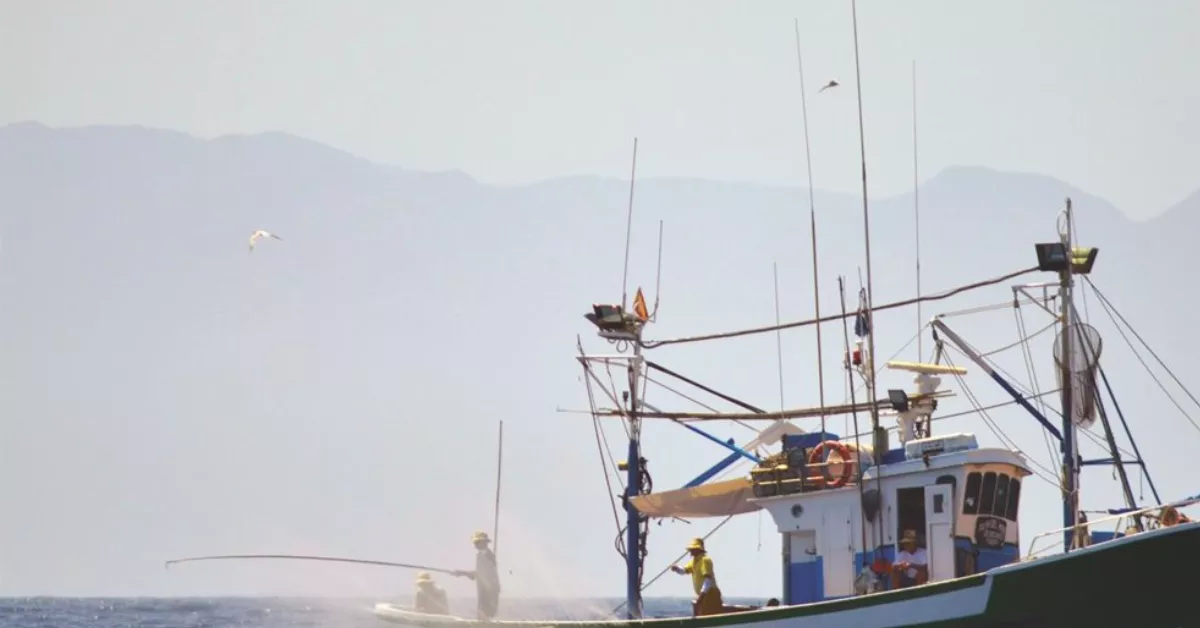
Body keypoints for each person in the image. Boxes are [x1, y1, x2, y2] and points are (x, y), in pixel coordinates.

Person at [670, 537, 723, 617]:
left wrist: (701, 596)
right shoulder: (694, 561)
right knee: (702, 615)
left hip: (710, 594)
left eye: (693, 549)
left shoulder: (705, 560)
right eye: (691, 549)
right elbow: (684, 571)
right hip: (704, 595)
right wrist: (676, 568)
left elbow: (708, 580)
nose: (691, 551)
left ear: (699, 549)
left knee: (708, 616)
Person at [455, 531, 501, 621]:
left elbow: (480, 573)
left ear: (484, 542)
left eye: (477, 542)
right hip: (483, 590)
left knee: (483, 614)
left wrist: (462, 573)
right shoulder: (480, 555)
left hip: (489, 592)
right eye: (475, 542)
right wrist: (464, 574)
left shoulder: (489, 556)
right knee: (481, 615)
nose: (475, 545)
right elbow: (476, 575)